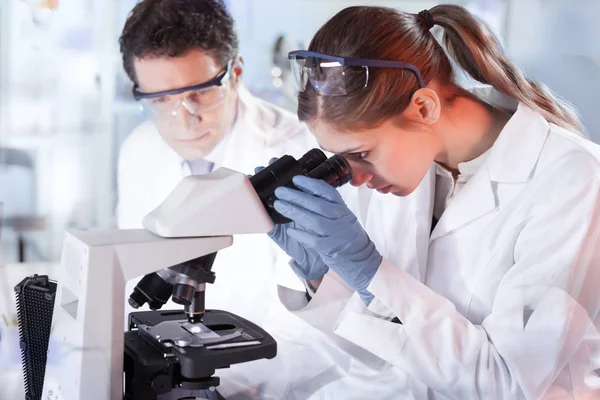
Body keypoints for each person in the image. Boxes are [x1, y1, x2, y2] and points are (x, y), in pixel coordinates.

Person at [269, 5, 600, 399]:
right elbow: (388, 353)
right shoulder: (406, 168)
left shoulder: (572, 179)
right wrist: (323, 274)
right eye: (340, 160)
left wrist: (372, 273)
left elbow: (510, 383)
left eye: (360, 154)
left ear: (424, 107)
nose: (353, 177)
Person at [116, 1, 421, 398]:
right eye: (160, 101)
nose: (184, 117)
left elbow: (343, 331)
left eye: (200, 93)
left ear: (235, 72)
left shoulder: (304, 147)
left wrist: (231, 386)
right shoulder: (137, 151)